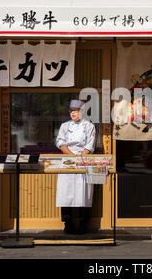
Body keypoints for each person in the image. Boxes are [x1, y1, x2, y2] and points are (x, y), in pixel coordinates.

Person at [55, 99, 96, 234]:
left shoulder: (89, 126)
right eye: (71, 111)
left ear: (82, 111)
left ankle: (84, 223)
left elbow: (90, 145)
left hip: (84, 159)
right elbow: (60, 142)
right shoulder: (65, 126)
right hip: (67, 159)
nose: (73, 113)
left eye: (76, 111)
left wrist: (80, 158)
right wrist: (72, 157)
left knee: (84, 192)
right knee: (65, 192)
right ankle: (67, 223)